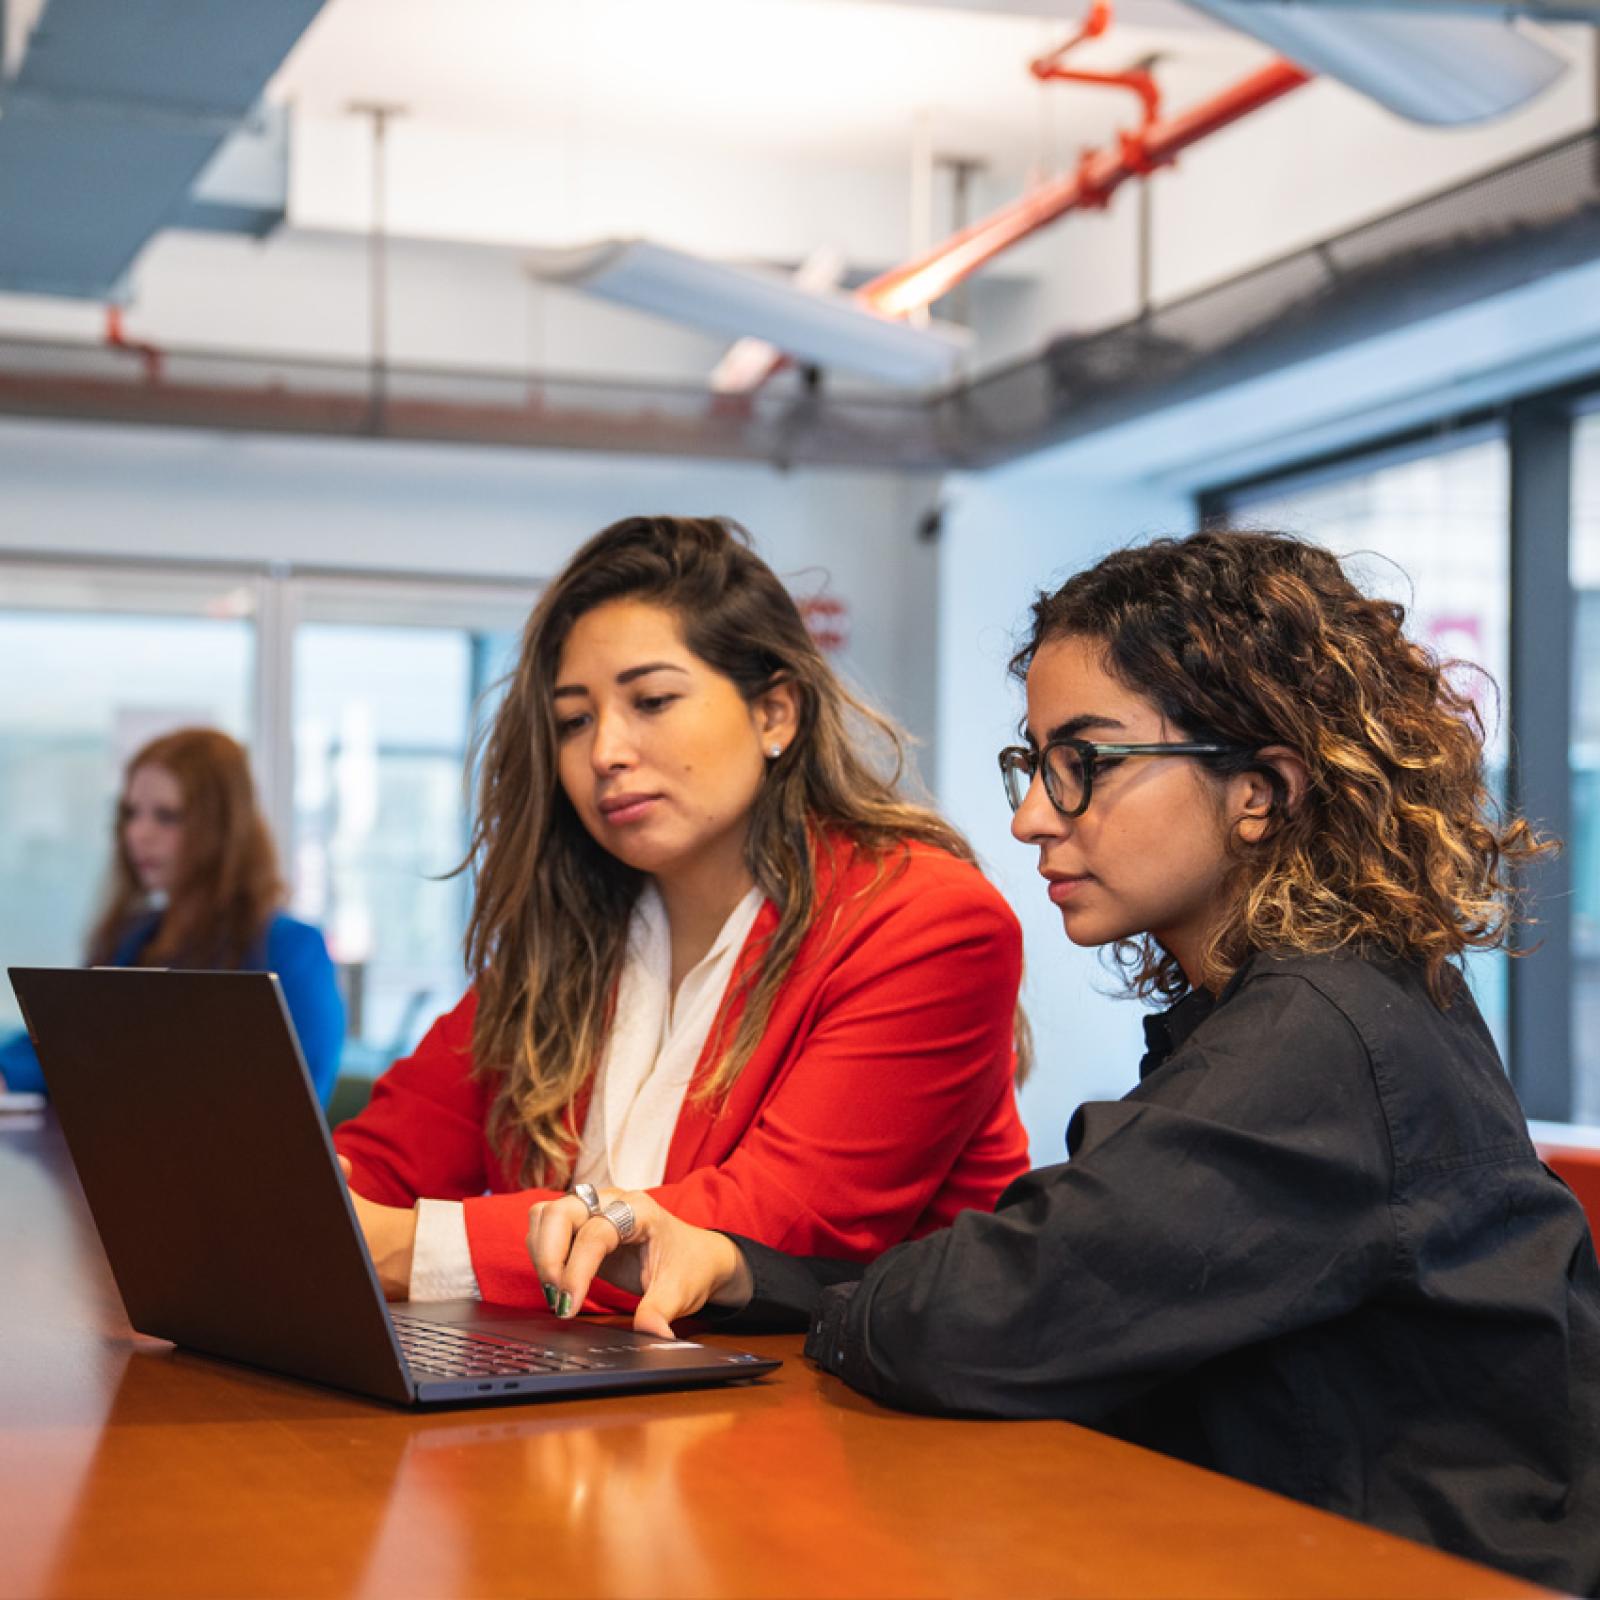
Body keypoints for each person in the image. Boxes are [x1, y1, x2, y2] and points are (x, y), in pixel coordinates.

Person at [530, 529, 1600, 1594]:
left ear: (1260, 790)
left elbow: (983, 1315)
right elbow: (1036, 1278)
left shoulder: (1316, 1034)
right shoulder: (1322, 1000)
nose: (1031, 814)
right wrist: (738, 1268)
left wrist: (800, 1288)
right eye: (1034, 763)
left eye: (1085, 765)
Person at [333, 515, 1029, 1308]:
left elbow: (769, 1227)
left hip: (850, 1421)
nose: (604, 753)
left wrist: (405, 1247)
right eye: (574, 720)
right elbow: (379, 1164)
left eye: (652, 700)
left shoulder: (928, 923)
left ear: (776, 714)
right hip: (596, 1403)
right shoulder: (569, 934)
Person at [0, 727, 345, 1104]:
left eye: (167, 816)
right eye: (131, 814)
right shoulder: (133, 937)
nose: (138, 833)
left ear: (222, 827)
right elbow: (58, 1043)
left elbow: (294, 1104)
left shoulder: (291, 949)